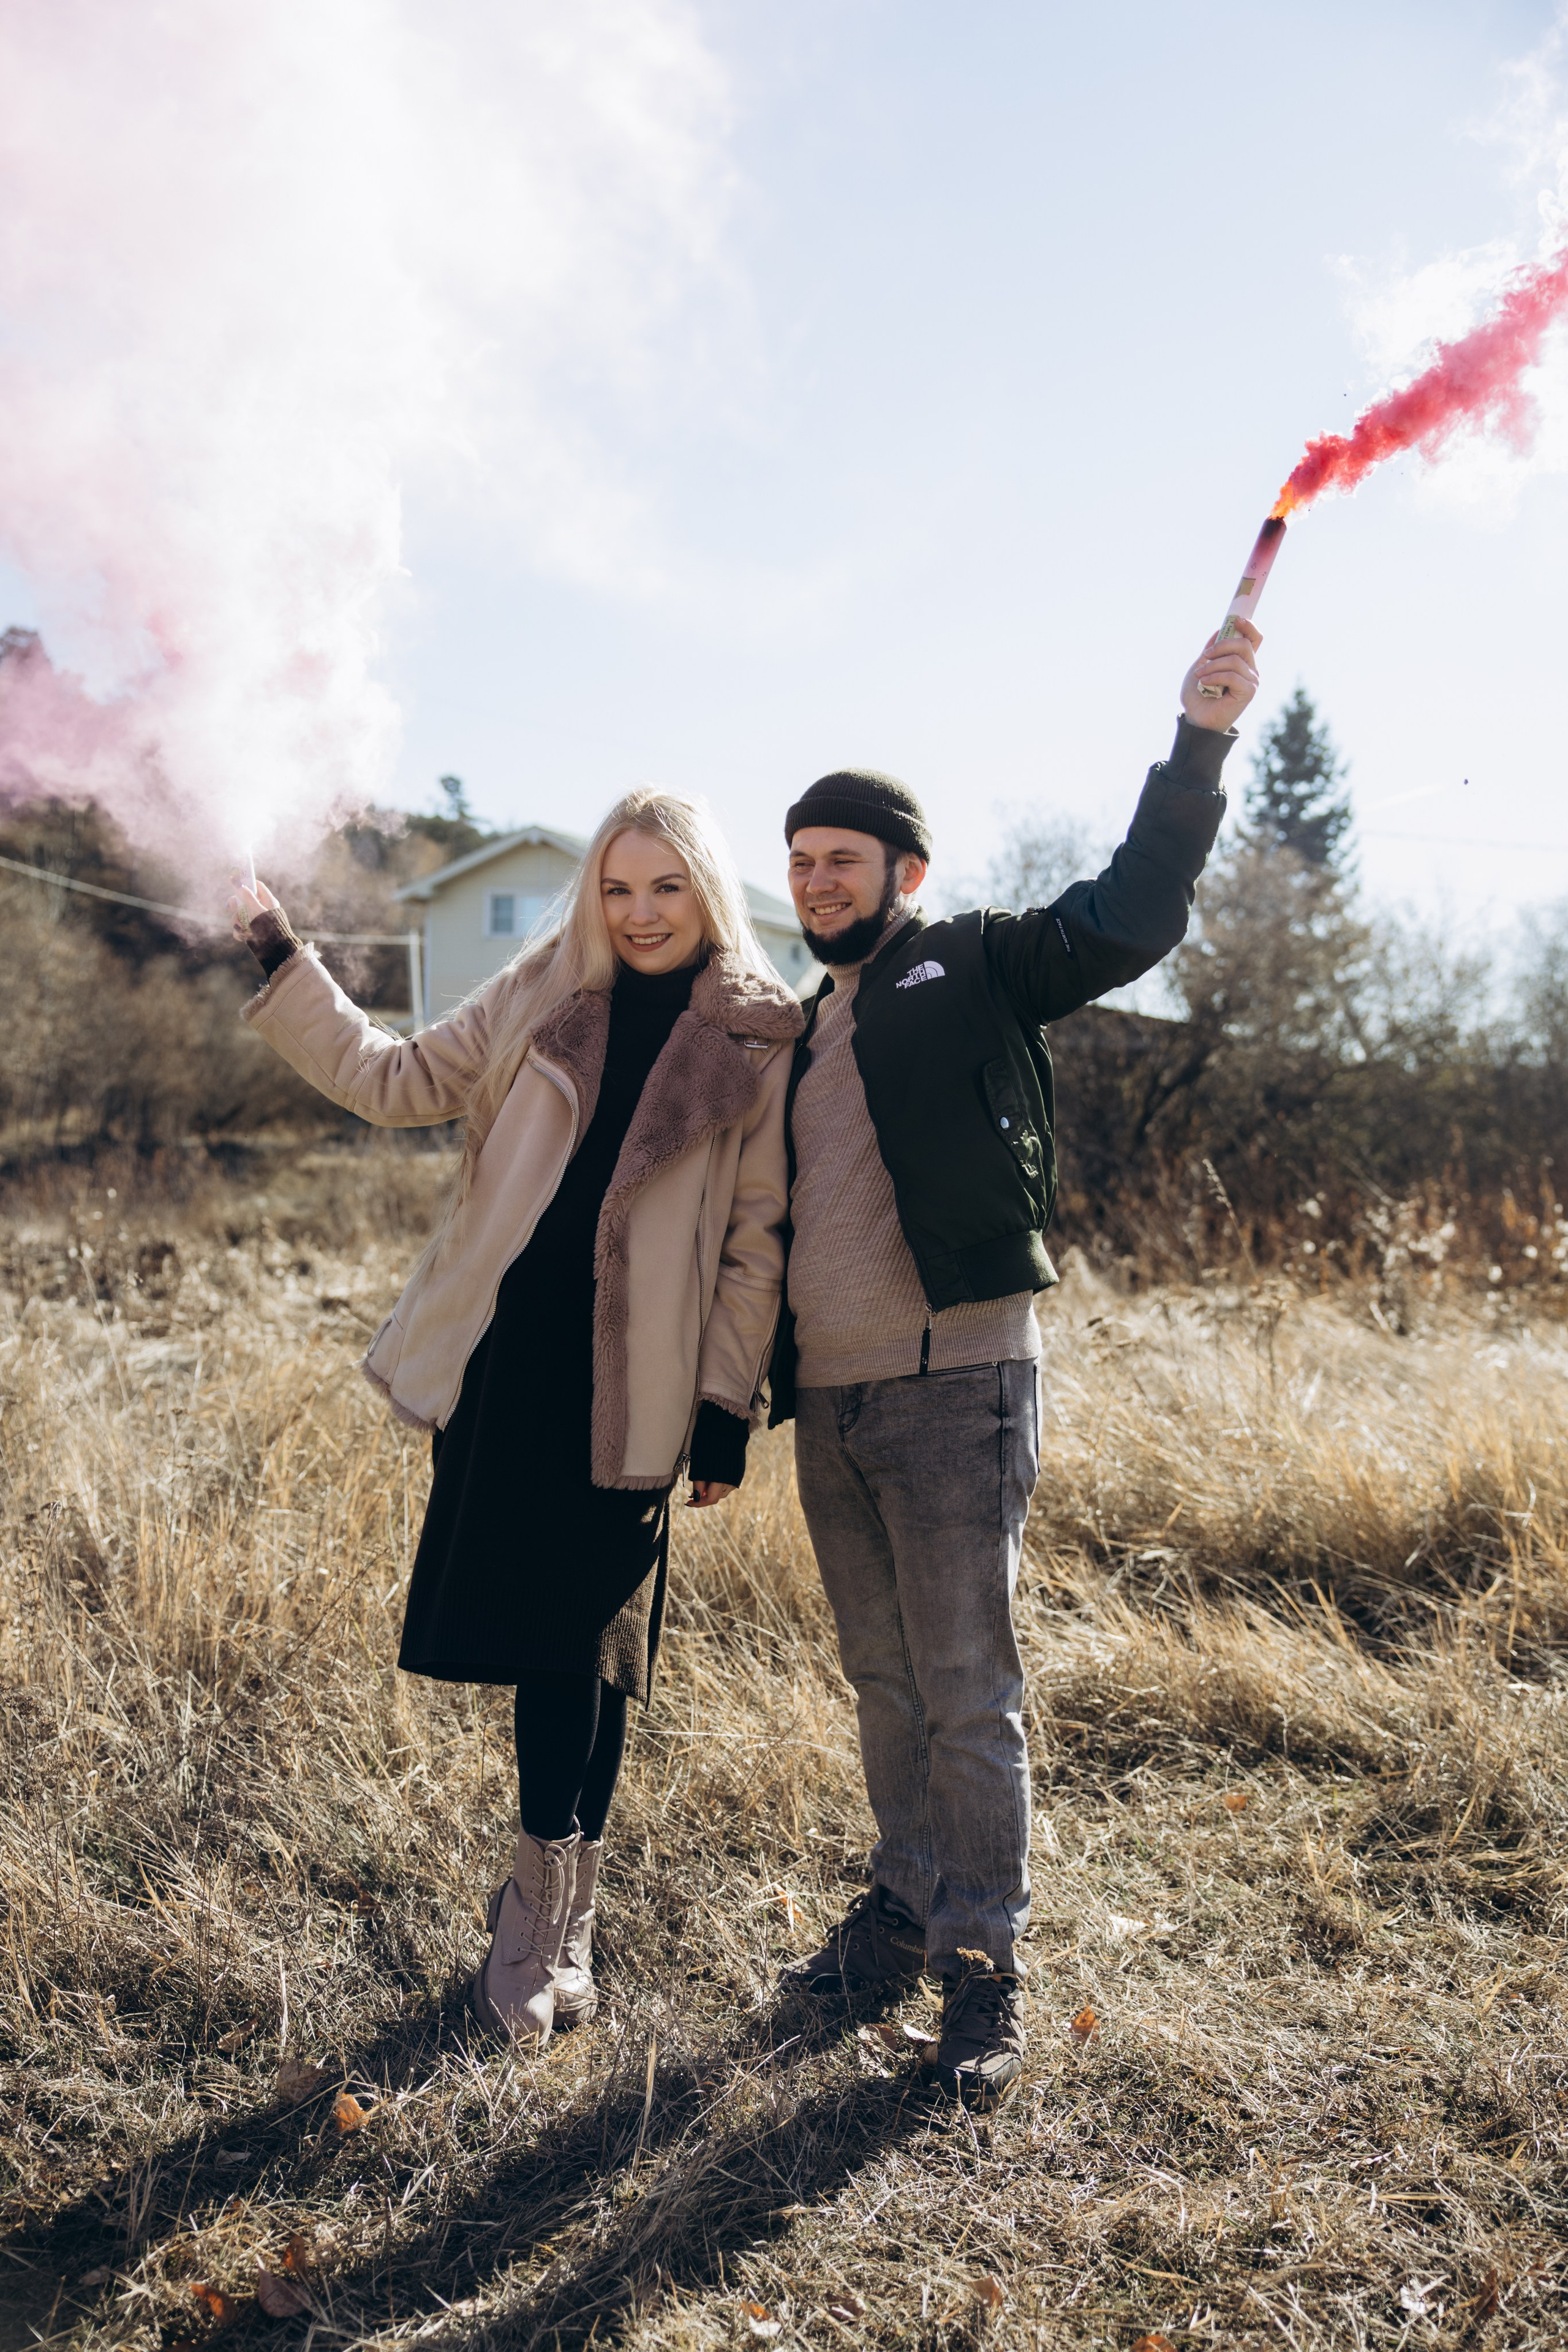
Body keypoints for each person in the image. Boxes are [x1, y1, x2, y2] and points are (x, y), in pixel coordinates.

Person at [771, 620, 1262, 2108]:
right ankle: (903, 1908)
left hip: (955, 1379)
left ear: (902, 874)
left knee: (964, 1685)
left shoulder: (974, 965)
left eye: (840, 859)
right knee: (878, 1677)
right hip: (833, 1401)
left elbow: (1127, 915)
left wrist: (1196, 746)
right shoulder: (798, 1032)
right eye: (796, 862)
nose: (815, 881)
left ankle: (981, 1970)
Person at [228, 790, 803, 2049]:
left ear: (705, 892)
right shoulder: (539, 994)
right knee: (554, 1646)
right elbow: (391, 1079)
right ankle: (545, 1921)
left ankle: (550, 1923)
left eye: (664, 888)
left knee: (588, 1648)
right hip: (510, 1362)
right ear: (591, 896)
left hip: (645, 1380)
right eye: (615, 887)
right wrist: (283, 959)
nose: (638, 913)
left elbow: (756, 1244)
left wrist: (724, 1409)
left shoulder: (761, 1034)